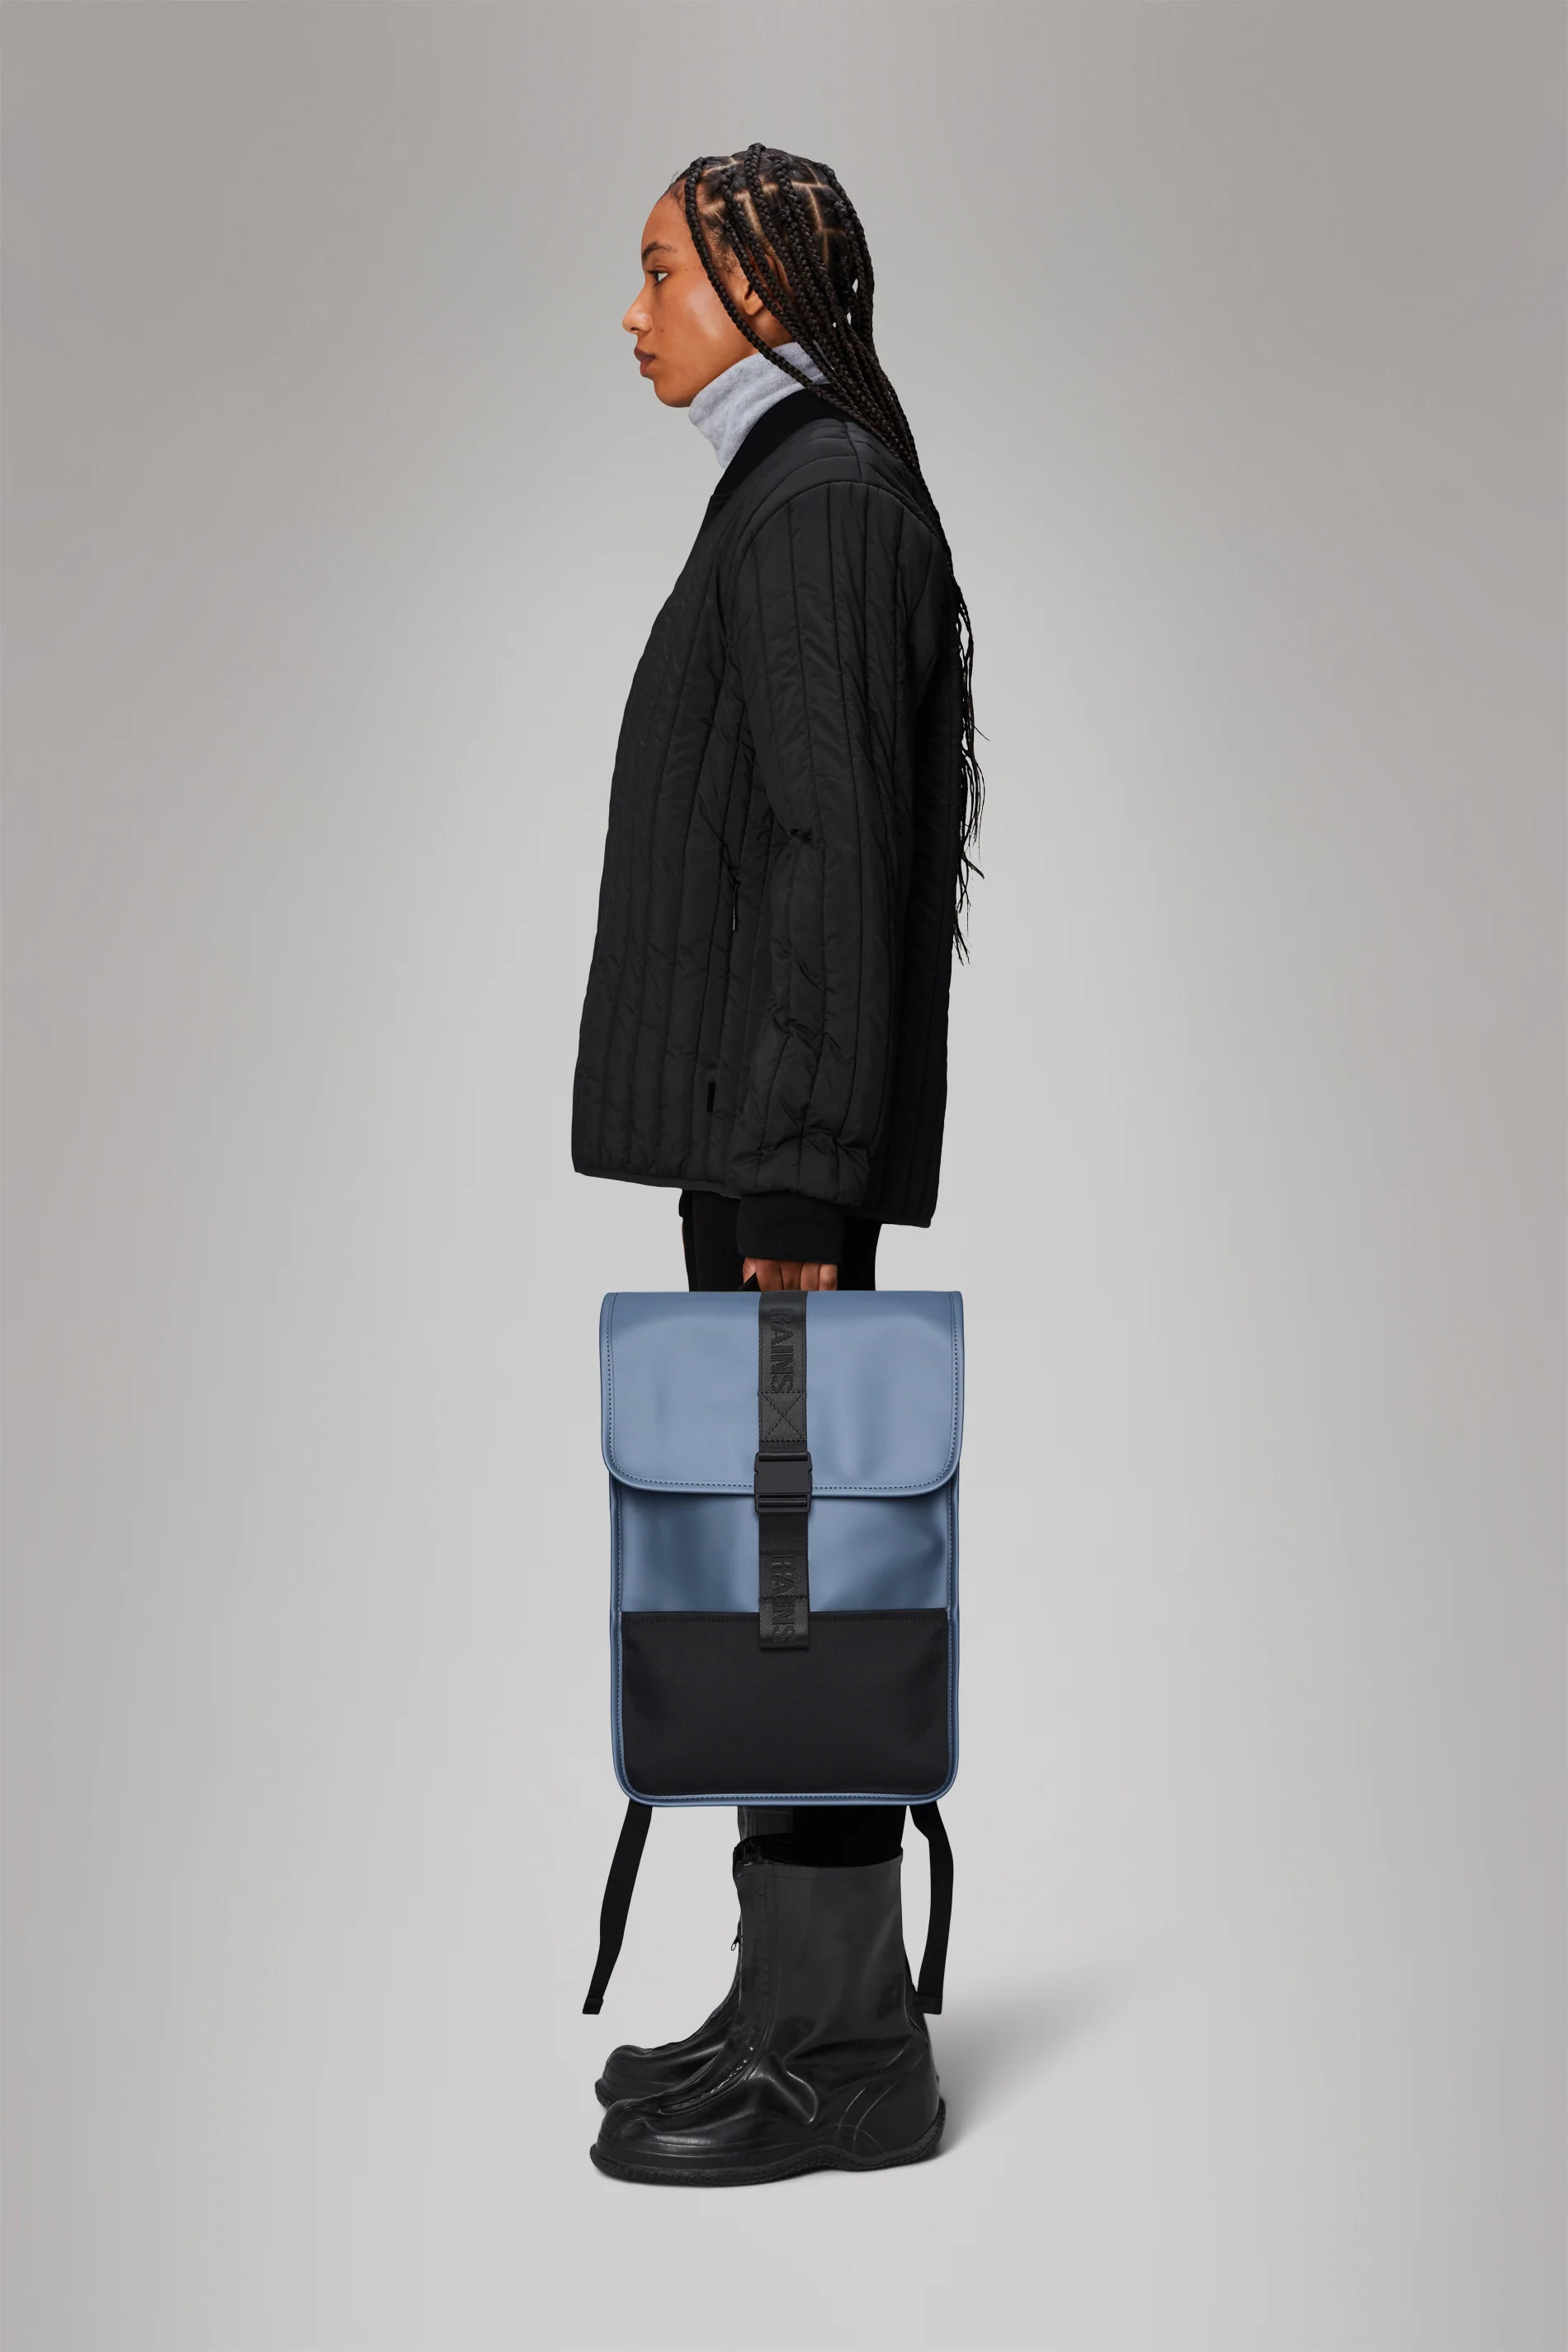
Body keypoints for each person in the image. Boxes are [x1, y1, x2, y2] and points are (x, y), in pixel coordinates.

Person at [571, 144, 984, 2185]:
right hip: (757, 1133)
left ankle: (843, 2053)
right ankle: (789, 1999)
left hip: (779, 1158)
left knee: (799, 1588)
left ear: (755, 280)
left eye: (660, 269)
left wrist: (806, 1184)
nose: (631, 311)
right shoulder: (791, 483)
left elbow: (834, 844)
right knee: (764, 1584)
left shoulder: (815, 498)